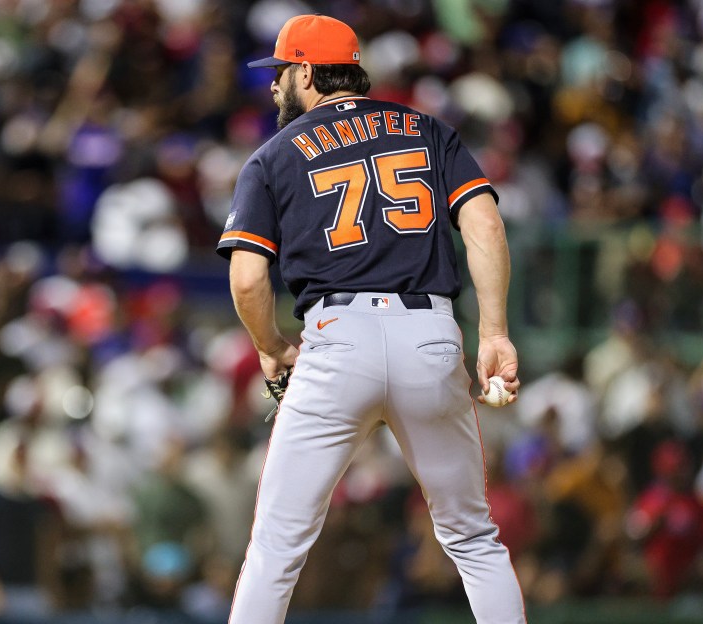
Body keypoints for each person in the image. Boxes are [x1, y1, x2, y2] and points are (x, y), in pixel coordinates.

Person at [217, 14, 525, 623]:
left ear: (306, 70)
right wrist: (493, 331)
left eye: (281, 73)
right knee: (471, 537)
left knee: (277, 546)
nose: (275, 86)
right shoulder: (427, 128)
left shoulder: (274, 155)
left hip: (336, 340)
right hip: (430, 333)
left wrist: (271, 344)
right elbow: (484, 222)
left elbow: (249, 277)